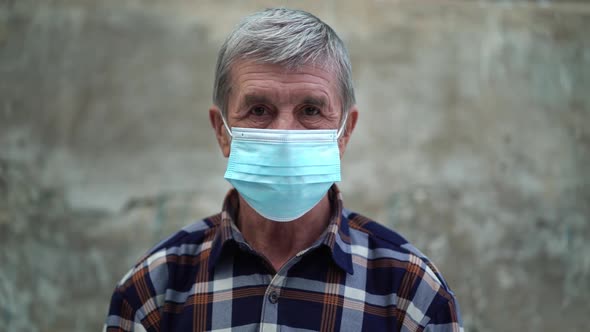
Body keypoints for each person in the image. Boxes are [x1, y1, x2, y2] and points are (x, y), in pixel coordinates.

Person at [104, 8, 463, 332]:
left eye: (310, 110)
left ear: (345, 133)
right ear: (221, 131)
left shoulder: (411, 294)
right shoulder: (152, 292)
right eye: (259, 110)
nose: (285, 135)